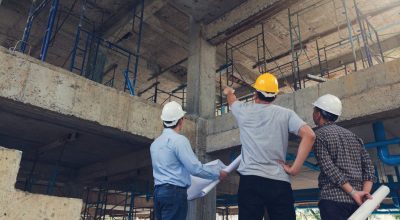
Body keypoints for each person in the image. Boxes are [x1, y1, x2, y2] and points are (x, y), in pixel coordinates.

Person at [224, 73, 316, 220]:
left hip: (250, 181)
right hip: (279, 182)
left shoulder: (243, 110)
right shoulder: (286, 114)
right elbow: (309, 135)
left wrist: (229, 92)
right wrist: (294, 169)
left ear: (255, 94)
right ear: (275, 96)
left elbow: (232, 101)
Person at [150, 101, 227, 220]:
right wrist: (217, 174)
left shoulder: (154, 144)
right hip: (174, 194)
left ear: (163, 121)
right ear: (180, 121)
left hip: (158, 193)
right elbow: (195, 168)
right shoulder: (179, 141)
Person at [311, 94, 376, 220]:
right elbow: (369, 168)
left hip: (333, 201)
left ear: (318, 114)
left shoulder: (318, 135)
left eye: (314, 110)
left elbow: (329, 168)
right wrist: (363, 195)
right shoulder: (353, 136)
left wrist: (353, 192)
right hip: (359, 204)